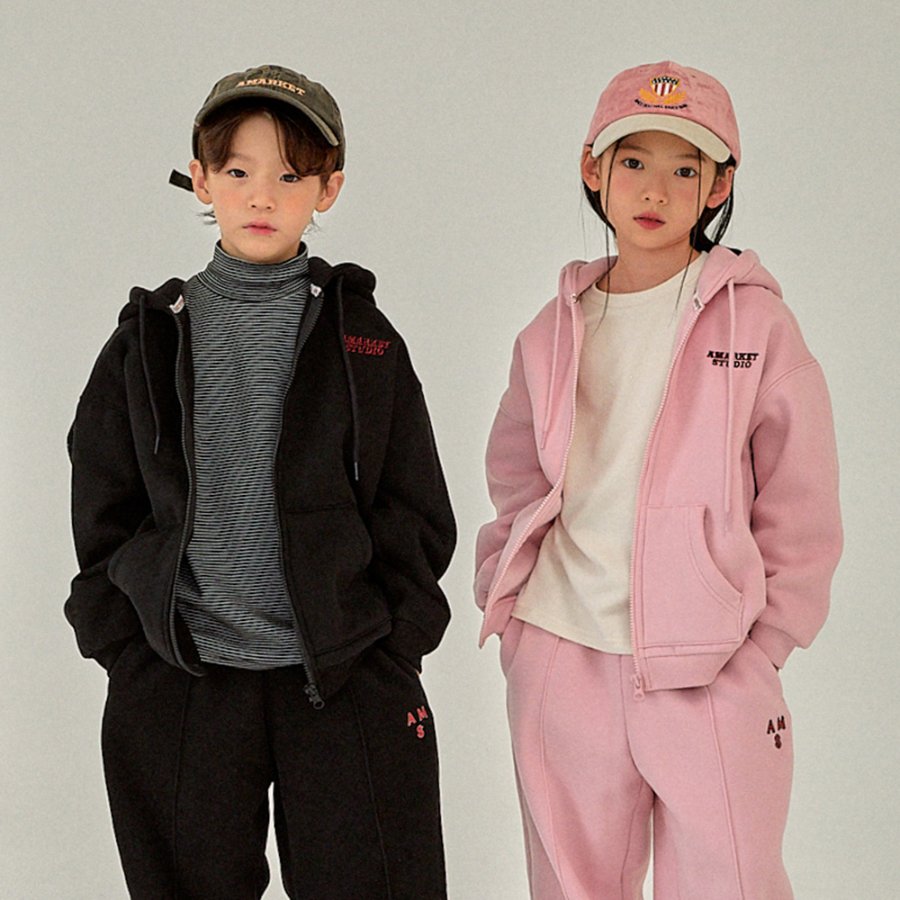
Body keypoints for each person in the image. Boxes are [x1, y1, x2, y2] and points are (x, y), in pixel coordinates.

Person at [65, 64, 455, 899]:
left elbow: (414, 500)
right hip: (183, 680)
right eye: (238, 171)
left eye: (289, 175)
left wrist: (394, 640)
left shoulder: (363, 338)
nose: (261, 196)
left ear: (329, 188)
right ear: (201, 179)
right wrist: (124, 645)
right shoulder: (148, 339)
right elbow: (102, 500)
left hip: (344, 677)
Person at [475, 61, 842, 899]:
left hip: (711, 667)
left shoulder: (759, 326)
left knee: (732, 883)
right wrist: (515, 608)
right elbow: (516, 474)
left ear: (719, 185)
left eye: (684, 169)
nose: (655, 189)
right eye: (634, 160)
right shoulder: (551, 331)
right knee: (572, 887)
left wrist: (764, 644)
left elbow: (802, 499)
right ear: (593, 169)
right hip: (562, 652)